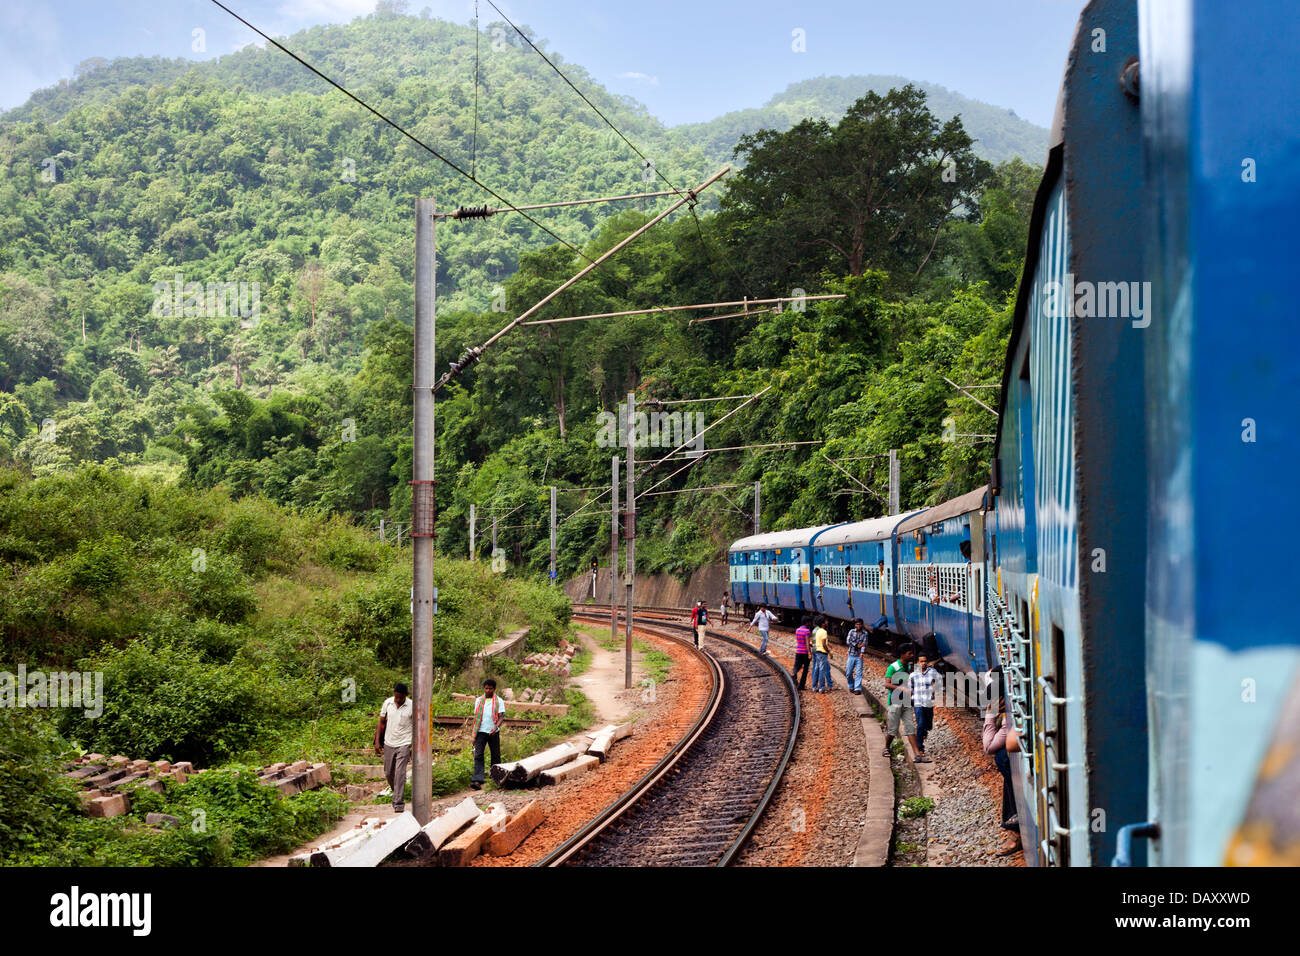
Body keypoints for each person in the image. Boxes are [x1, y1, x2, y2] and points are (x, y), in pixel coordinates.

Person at [982, 666, 1021, 846]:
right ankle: (1012, 824)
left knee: (1002, 757)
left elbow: (988, 747)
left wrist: (990, 716)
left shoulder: (1007, 721)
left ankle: (1014, 824)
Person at [373, 681, 413, 812]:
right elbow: (381, 721)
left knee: (400, 773)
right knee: (389, 773)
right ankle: (397, 792)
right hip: (389, 742)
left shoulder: (411, 706)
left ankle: (398, 803)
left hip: (404, 742)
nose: (398, 700)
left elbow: (417, 725)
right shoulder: (388, 703)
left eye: (401, 697)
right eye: (396, 697)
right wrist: (377, 741)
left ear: (406, 695)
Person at [883, 646, 924, 762]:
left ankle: (917, 754)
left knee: (910, 728)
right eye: (909, 653)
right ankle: (886, 747)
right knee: (893, 729)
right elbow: (887, 684)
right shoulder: (893, 667)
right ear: (902, 654)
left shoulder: (909, 666)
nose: (911, 655)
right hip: (895, 702)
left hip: (906, 702)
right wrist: (902, 689)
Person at [470, 678, 507, 790]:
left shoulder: (499, 701)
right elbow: (476, 716)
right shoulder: (479, 700)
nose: (488, 690)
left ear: (494, 689)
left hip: (493, 732)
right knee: (478, 755)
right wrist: (473, 733)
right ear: (484, 688)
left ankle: (496, 779)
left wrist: (496, 727)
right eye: (486, 688)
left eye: (490, 688)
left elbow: (501, 716)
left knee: (495, 755)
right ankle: (477, 780)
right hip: (480, 731)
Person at [909, 653, 940, 758]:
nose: (923, 663)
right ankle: (920, 748)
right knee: (920, 724)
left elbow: (939, 684)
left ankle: (924, 731)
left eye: (925, 661)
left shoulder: (932, 672)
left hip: (928, 702)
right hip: (918, 702)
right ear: (917, 663)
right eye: (921, 661)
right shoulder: (913, 675)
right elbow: (910, 688)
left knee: (928, 725)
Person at [844, 618, 868, 694]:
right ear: (855, 625)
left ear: (862, 625)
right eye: (857, 624)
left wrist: (862, 652)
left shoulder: (865, 633)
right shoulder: (851, 632)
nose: (858, 626)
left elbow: (864, 644)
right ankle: (851, 686)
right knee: (848, 672)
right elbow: (848, 641)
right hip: (851, 655)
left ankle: (857, 689)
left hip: (859, 656)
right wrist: (857, 645)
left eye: (860, 624)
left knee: (859, 673)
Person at [811, 616, 832, 692]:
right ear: (822, 623)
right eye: (826, 621)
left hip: (816, 651)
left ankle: (814, 687)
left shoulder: (817, 631)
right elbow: (823, 644)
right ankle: (821, 688)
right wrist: (829, 652)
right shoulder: (823, 631)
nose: (827, 622)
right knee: (822, 670)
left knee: (816, 669)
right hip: (822, 653)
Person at [792, 616, 812, 690]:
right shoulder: (807, 631)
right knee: (805, 669)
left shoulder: (797, 630)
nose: (810, 623)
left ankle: (794, 673)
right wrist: (809, 653)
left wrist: (809, 644)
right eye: (809, 622)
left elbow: (801, 641)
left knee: (797, 665)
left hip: (798, 651)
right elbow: (807, 643)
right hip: (805, 652)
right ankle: (801, 686)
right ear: (807, 622)